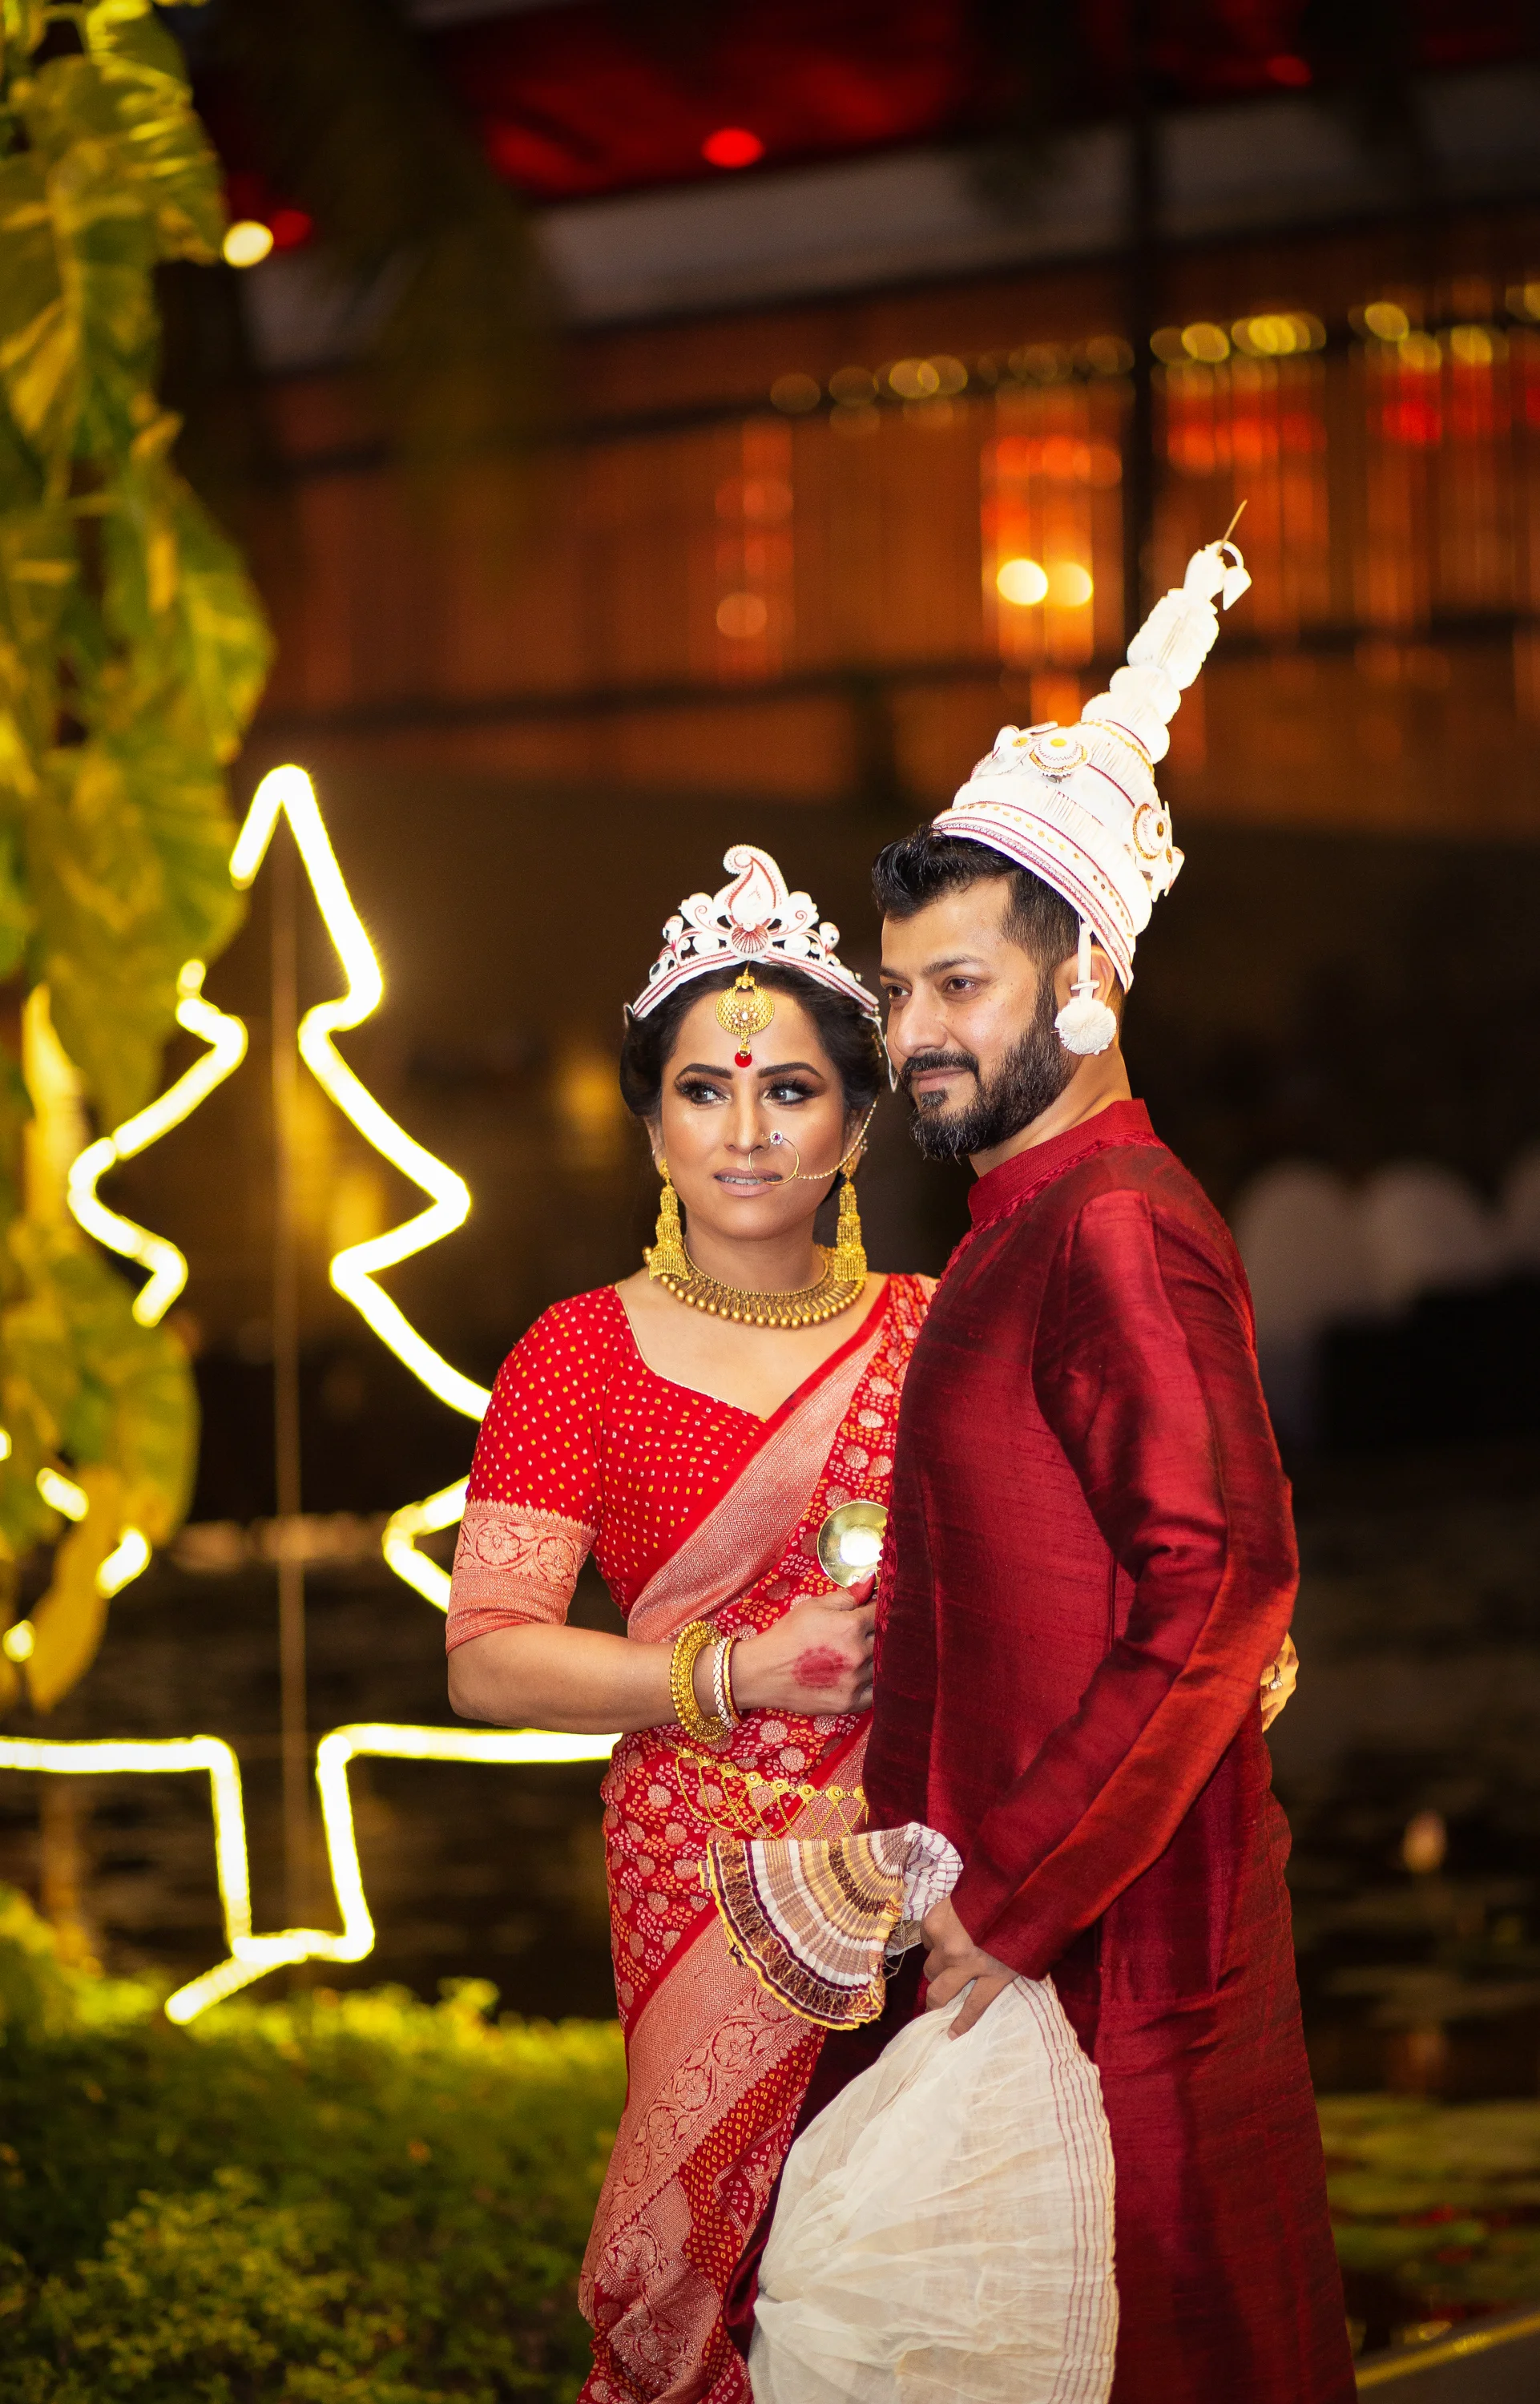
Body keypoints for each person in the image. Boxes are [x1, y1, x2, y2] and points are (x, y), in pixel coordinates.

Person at [733, 538, 1346, 2404]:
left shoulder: (1112, 1235)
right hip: (1016, 1933)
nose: (913, 1034)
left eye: (962, 988)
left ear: (1083, 977)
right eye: (901, 991)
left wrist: (1011, 1904)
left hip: (1115, 1968)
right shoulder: (1021, 1225)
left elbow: (1225, 1583)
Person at [445, 845, 937, 2404]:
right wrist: (729, 1671)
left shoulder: (934, 1331)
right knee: (696, 2270)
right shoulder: (575, 1356)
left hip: (925, 1858)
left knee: (898, 2258)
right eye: (704, 1091)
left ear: (853, 1128)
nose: (745, 1130)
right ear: (651, 1124)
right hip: (695, 1864)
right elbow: (487, 1655)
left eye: (789, 1092)